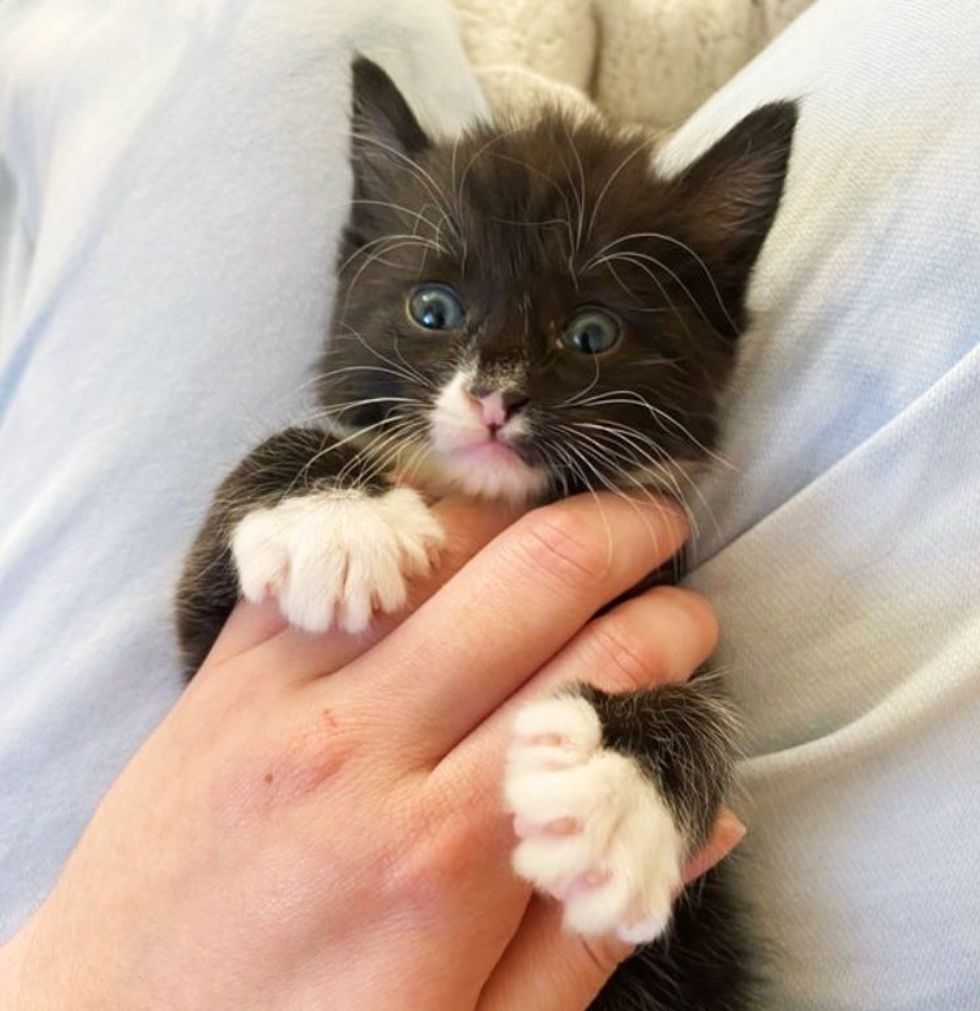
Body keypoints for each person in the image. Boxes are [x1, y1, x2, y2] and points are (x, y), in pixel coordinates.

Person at [1, 0, 979, 1007]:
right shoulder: (349, 475)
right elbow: (229, 642)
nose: (494, 389)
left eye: (590, 335)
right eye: (433, 313)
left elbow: (666, 721)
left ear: (713, 325)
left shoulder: (633, 544)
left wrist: (650, 776)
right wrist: (297, 484)